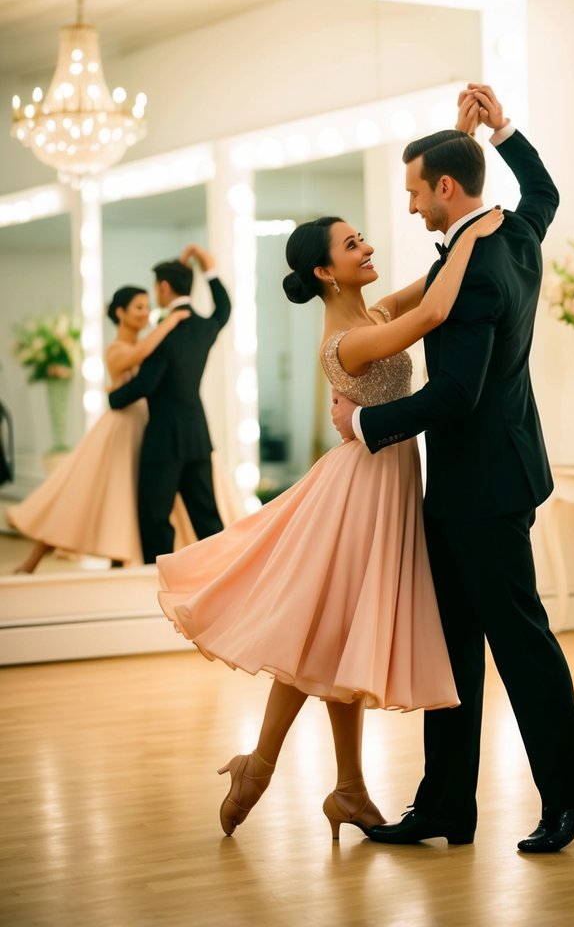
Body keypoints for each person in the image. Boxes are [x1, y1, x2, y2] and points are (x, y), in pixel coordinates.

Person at [154, 203, 503, 840]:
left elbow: (429, 283)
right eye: (351, 244)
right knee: (320, 634)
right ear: (325, 271)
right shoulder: (349, 340)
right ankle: (261, 770)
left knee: (336, 637)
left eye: (361, 238)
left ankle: (346, 787)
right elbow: (433, 311)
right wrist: (477, 230)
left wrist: (465, 219)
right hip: (359, 494)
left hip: (381, 487)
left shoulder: (374, 315)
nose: (366, 247)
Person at [331, 83, 574, 855]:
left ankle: (569, 798)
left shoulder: (479, 266)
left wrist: (365, 423)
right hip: (470, 485)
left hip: (483, 489)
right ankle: (447, 806)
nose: (411, 206)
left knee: (521, 648)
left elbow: (455, 394)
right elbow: (543, 190)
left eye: (417, 190)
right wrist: (496, 130)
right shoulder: (512, 231)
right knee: (449, 654)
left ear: (445, 187)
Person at [9, 281, 237, 573]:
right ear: (121, 312)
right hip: (121, 428)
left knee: (132, 499)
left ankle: (121, 562)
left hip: (147, 425)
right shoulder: (118, 349)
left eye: (147, 306)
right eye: (138, 307)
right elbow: (140, 353)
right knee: (84, 495)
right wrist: (170, 322)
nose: (145, 313)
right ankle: (34, 560)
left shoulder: (153, 339)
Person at [108, 244, 231, 564]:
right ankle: (221, 576)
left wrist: (113, 398)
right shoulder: (205, 326)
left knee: (155, 519)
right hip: (197, 435)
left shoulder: (167, 331)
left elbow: (147, 383)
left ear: (164, 287)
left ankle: (156, 582)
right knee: (207, 518)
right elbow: (224, 309)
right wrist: (210, 269)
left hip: (164, 439)